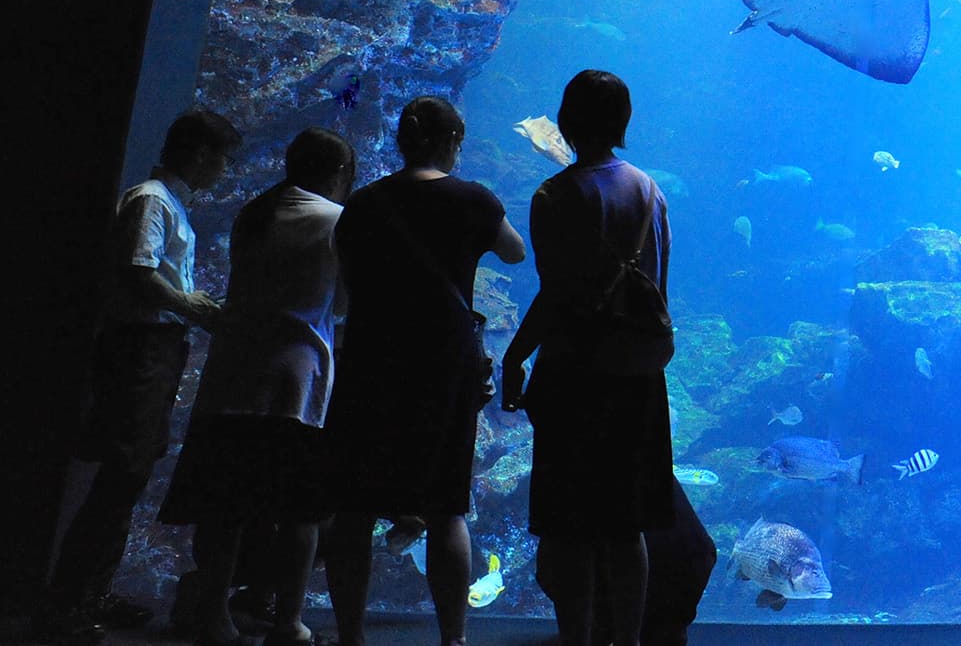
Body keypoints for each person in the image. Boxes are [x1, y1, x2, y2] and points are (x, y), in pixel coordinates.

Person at [320, 97, 525, 646]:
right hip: (443, 366)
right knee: (446, 505)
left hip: (371, 362)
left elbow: (345, 289)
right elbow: (514, 252)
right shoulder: (473, 199)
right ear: (450, 140)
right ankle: (453, 638)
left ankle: (349, 635)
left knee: (354, 505)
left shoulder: (363, 204)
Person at [40, 109, 241, 644]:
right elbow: (136, 269)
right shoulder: (152, 199)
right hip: (139, 347)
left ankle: (91, 592)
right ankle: (67, 603)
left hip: (156, 346)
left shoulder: (169, 202)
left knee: (131, 469)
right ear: (199, 154)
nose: (223, 171)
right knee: (123, 470)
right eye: (222, 159)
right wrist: (190, 306)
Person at [158, 127, 356, 646]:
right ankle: (287, 621)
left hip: (232, 378)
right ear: (337, 173)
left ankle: (214, 614)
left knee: (226, 507)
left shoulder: (254, 213)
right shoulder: (338, 221)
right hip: (296, 383)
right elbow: (342, 306)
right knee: (301, 512)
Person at [502, 70, 676, 646]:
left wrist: (514, 356)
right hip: (638, 377)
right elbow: (657, 286)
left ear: (567, 121)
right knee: (626, 527)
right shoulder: (651, 190)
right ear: (623, 123)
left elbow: (555, 294)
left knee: (570, 526)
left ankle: (576, 639)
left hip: (576, 375)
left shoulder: (556, 196)